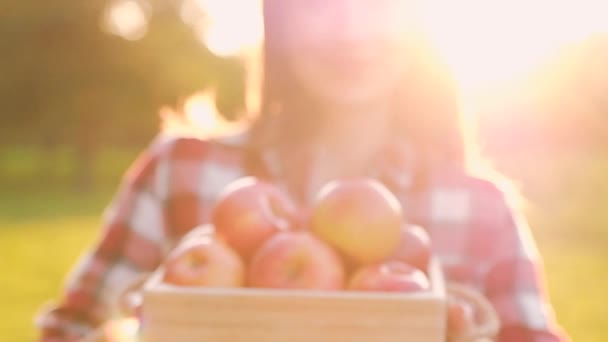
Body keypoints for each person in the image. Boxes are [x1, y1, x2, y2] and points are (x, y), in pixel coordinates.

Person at [36, 0, 570, 341]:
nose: (351, 31)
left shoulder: (479, 208)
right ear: (280, 20)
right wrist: (131, 331)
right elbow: (68, 329)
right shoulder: (183, 170)